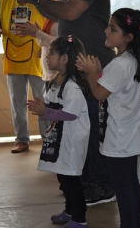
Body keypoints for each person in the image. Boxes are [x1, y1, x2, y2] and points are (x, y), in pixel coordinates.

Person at [11, 0, 116, 205]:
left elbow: (70, 11)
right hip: (79, 63)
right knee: (80, 123)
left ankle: (101, 185)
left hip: (92, 63)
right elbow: (54, 10)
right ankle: (85, 178)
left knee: (91, 124)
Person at [76, 8, 140, 228]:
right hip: (129, 132)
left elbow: (99, 94)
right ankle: (135, 223)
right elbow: (113, 88)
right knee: (130, 183)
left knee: (122, 186)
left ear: (127, 37)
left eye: (112, 28)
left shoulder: (121, 64)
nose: (106, 31)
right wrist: (99, 71)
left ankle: (130, 224)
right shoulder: (131, 59)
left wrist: (91, 73)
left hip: (120, 135)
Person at [27, 36, 91, 228]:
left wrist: (45, 111)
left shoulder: (73, 85)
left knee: (71, 179)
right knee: (63, 177)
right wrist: (43, 106)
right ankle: (70, 210)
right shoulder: (57, 80)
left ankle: (79, 218)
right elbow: (55, 104)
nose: (47, 56)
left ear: (64, 59)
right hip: (60, 139)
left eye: (52, 52)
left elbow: (70, 114)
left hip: (71, 141)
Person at [0, 0, 49, 154]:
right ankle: (22, 140)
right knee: (17, 101)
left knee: (42, 100)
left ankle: (48, 139)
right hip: (13, 55)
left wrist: (48, 46)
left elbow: (51, 24)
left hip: (37, 55)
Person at [17, 0, 72, 88]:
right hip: (50, 71)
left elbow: (63, 43)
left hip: (62, 72)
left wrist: (37, 33)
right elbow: (46, 41)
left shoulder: (69, 12)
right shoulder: (55, 9)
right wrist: (36, 33)